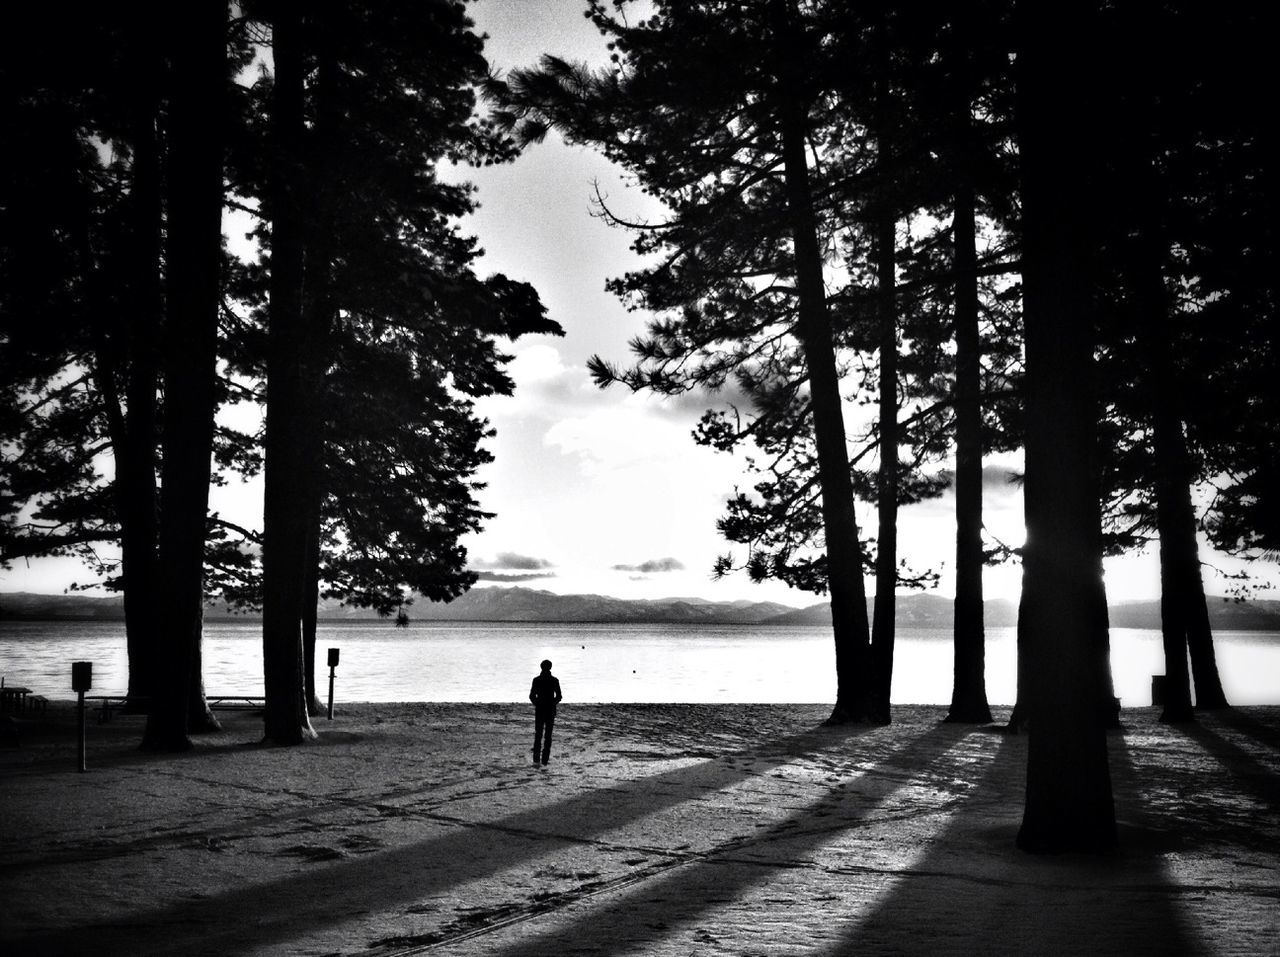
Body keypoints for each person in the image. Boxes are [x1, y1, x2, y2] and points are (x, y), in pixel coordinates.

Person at [529, 659, 562, 766]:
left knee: (538, 735)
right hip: (550, 710)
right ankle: (544, 760)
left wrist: (537, 703)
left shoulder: (537, 680)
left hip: (540, 710)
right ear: (550, 668)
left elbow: (532, 696)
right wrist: (552, 703)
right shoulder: (554, 680)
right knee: (548, 735)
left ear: (541, 667)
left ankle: (536, 759)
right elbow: (559, 696)